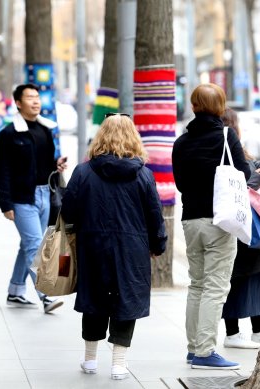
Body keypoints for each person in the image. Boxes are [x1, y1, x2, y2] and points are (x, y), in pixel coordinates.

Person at [60, 113, 167, 380]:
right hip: (132, 247)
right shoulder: (143, 175)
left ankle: (90, 359)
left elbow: (69, 211)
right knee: (126, 299)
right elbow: (155, 215)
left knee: (94, 298)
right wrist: (158, 245)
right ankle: (119, 364)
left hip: (92, 245)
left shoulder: (83, 171)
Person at [172, 84, 251, 370]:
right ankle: (205, 352)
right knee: (216, 287)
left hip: (191, 220)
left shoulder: (181, 142)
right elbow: (243, 173)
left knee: (197, 284)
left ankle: (194, 348)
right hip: (220, 219)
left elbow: (180, 183)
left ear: (193, 106)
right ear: (220, 107)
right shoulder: (227, 136)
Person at [0, 83, 67, 313]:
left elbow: (42, 162)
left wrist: (56, 165)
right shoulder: (8, 134)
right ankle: (46, 295)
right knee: (35, 246)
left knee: (29, 244)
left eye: (37, 97)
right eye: (30, 98)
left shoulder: (45, 129)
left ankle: (16, 290)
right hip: (22, 198)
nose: (36, 102)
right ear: (18, 103)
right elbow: (3, 170)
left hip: (45, 194)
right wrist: (5, 203)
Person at [220, 107, 260, 349]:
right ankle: (235, 333)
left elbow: (256, 171)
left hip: (241, 226)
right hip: (239, 226)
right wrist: (259, 176)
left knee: (251, 273)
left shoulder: (233, 151)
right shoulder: (227, 153)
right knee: (243, 275)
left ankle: (256, 330)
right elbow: (247, 182)